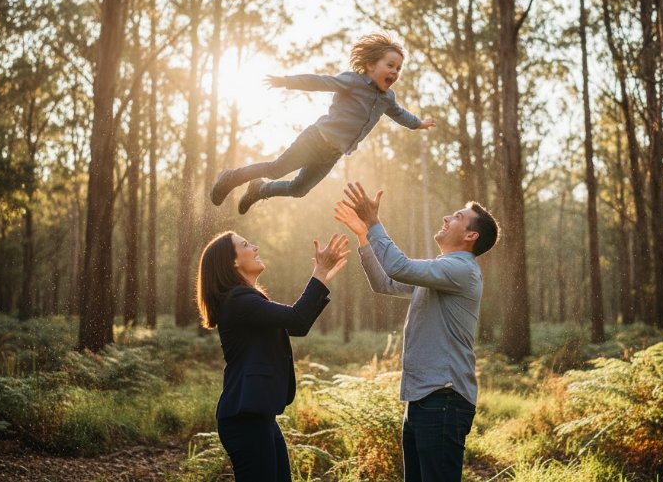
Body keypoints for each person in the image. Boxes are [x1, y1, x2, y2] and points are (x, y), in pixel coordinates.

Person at [333, 182, 499, 482]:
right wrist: (363, 235)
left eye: (457, 217)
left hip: (444, 399)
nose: (447, 218)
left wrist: (374, 224)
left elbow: (398, 267)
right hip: (425, 397)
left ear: (470, 235)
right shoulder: (442, 269)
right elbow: (386, 283)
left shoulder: (460, 270)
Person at [210, 32, 436, 214]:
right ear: (370, 65)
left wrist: (419, 124)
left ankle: (260, 190)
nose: (395, 72)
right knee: (276, 169)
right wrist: (287, 81)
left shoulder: (388, 98)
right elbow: (321, 82)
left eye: (398, 68)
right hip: (316, 139)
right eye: (390, 65)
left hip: (333, 154)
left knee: (299, 189)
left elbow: (400, 114)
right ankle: (231, 177)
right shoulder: (353, 81)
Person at [196, 230, 350, 481]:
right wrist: (319, 275)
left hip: (257, 416)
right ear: (232, 262)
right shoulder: (239, 301)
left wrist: (320, 280)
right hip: (245, 420)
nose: (255, 247)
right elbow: (297, 318)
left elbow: (296, 325)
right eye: (246, 244)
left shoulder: (244, 300)